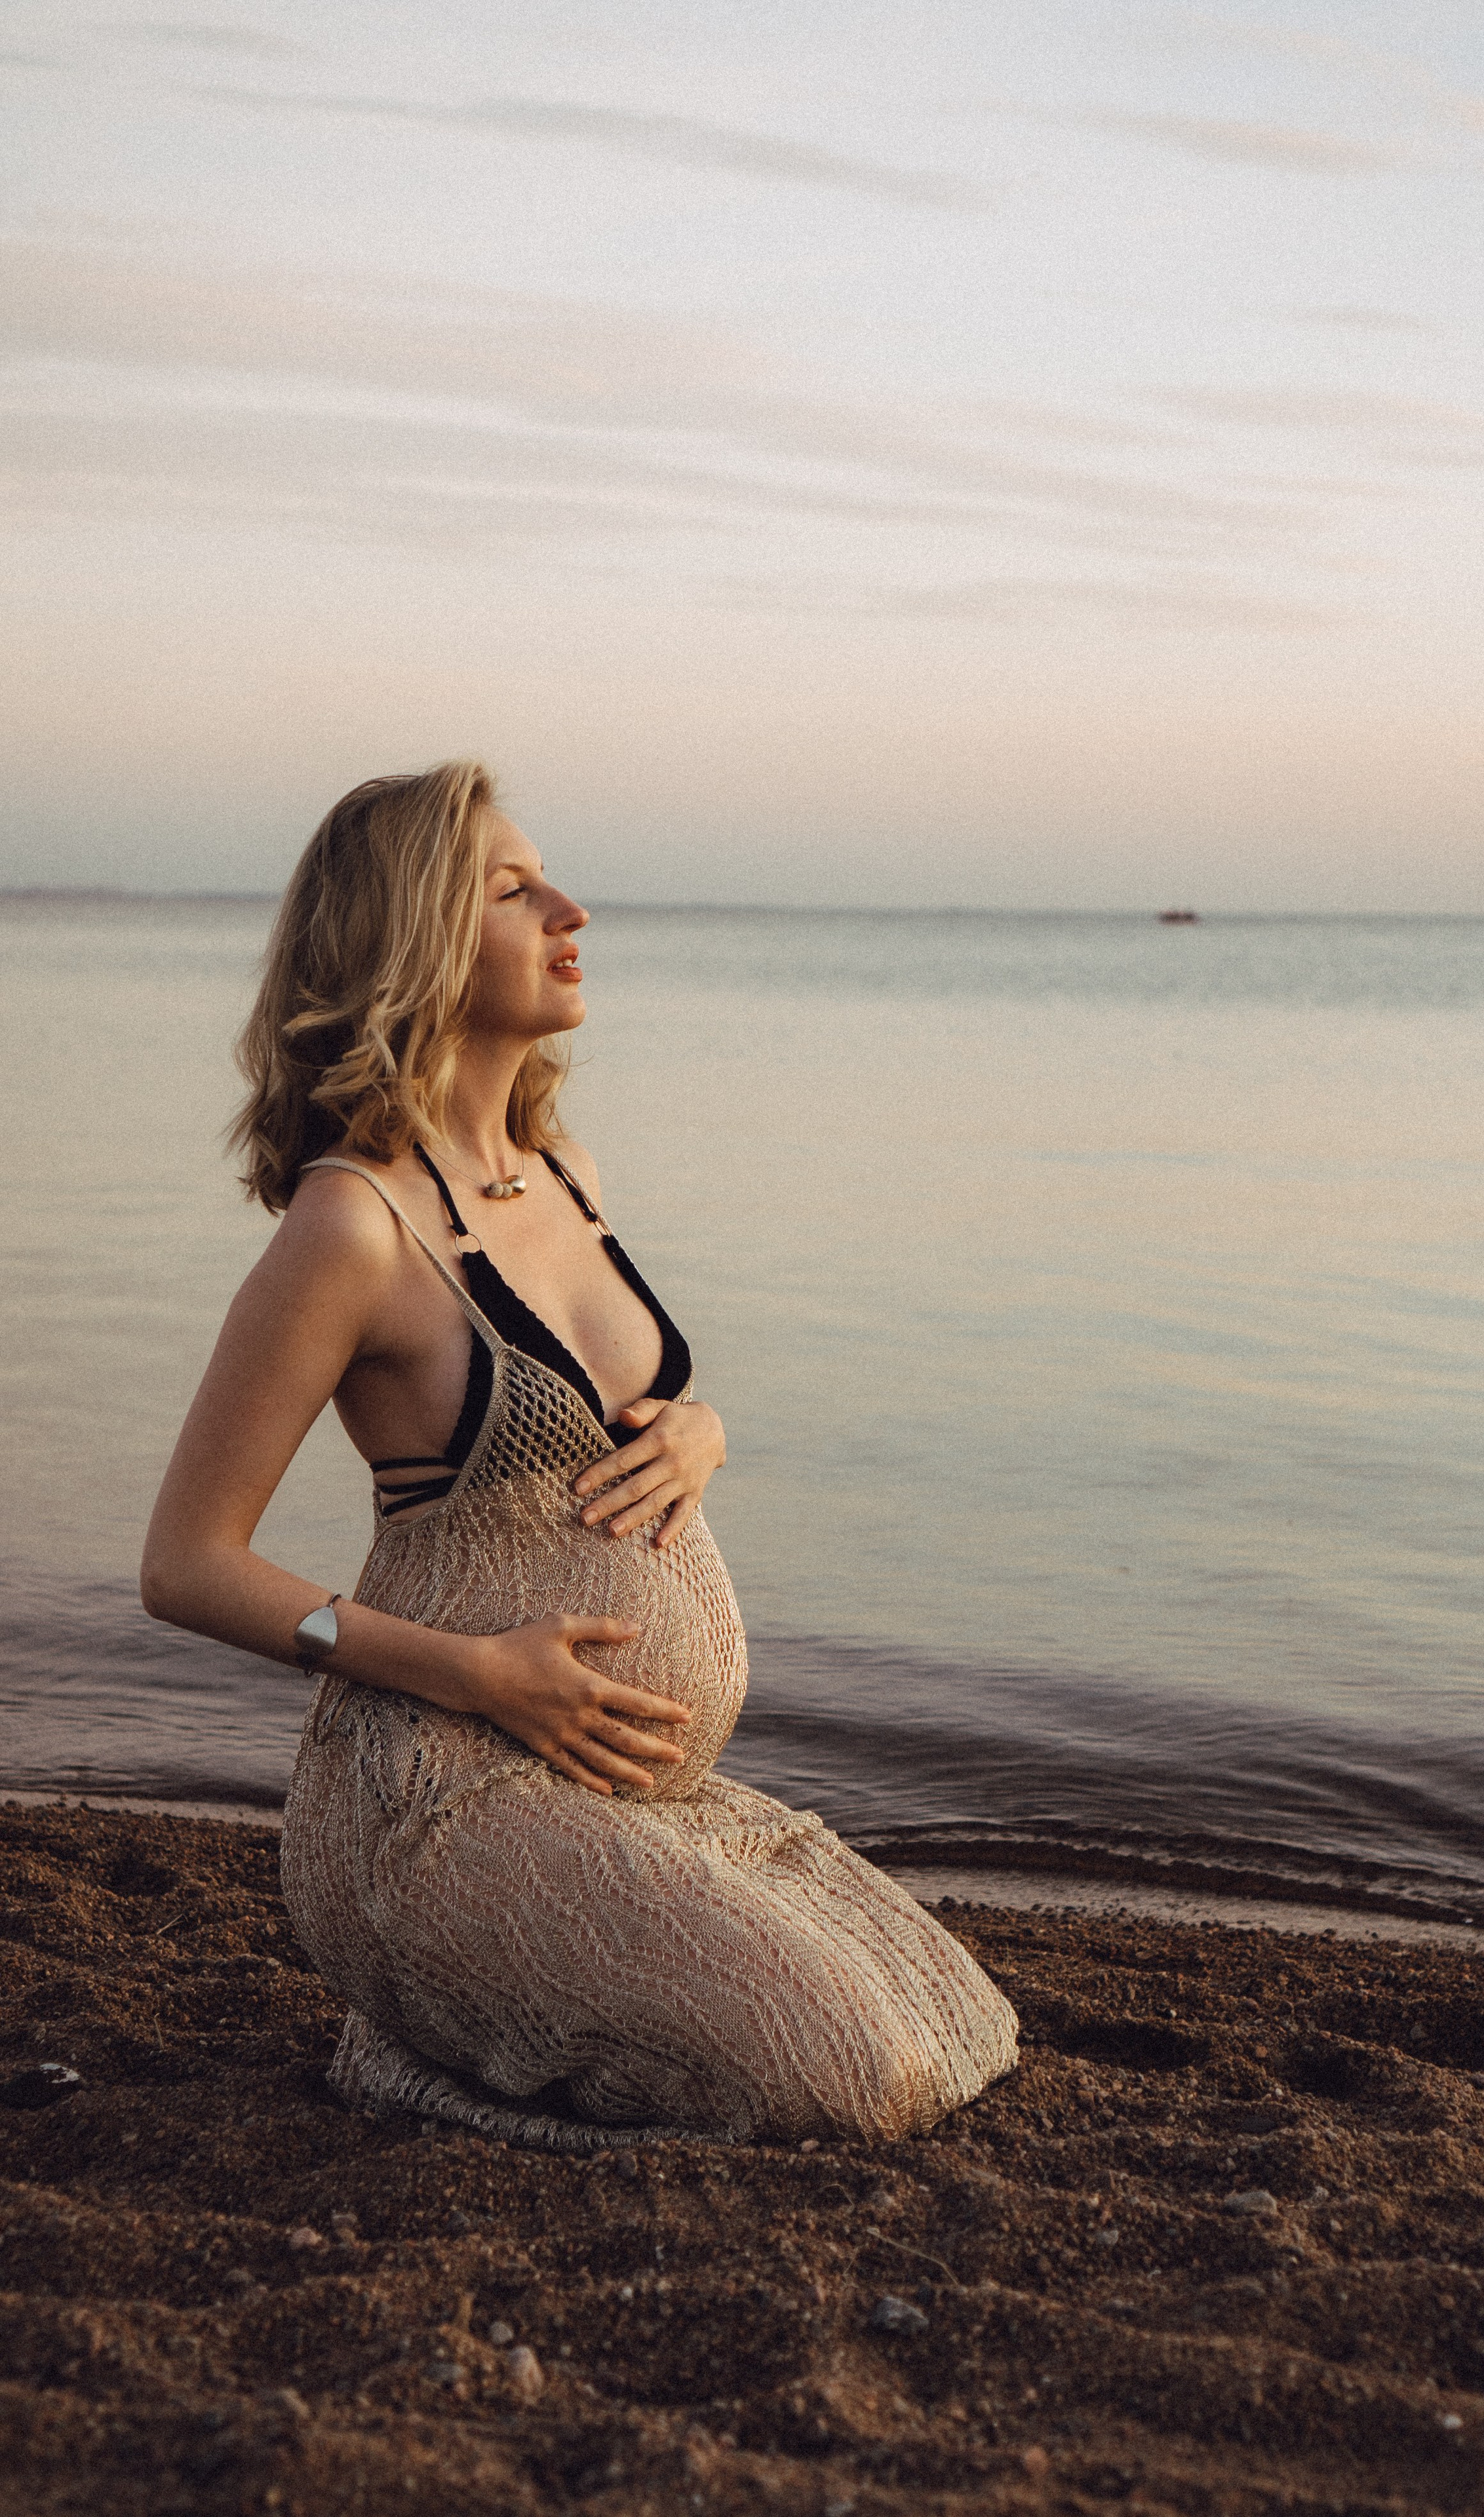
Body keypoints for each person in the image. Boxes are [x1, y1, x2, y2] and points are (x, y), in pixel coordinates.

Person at [142, 762, 1017, 2148]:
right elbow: (187, 1566)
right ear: (414, 937)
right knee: (850, 2086)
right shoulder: (353, 1226)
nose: (572, 909)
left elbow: (615, 1410)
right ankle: (409, 2056)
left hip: (608, 1791)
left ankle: (489, 2000)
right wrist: (477, 1673)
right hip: (435, 1797)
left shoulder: (561, 1173)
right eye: (512, 889)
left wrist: (704, 1429)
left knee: (957, 2024)